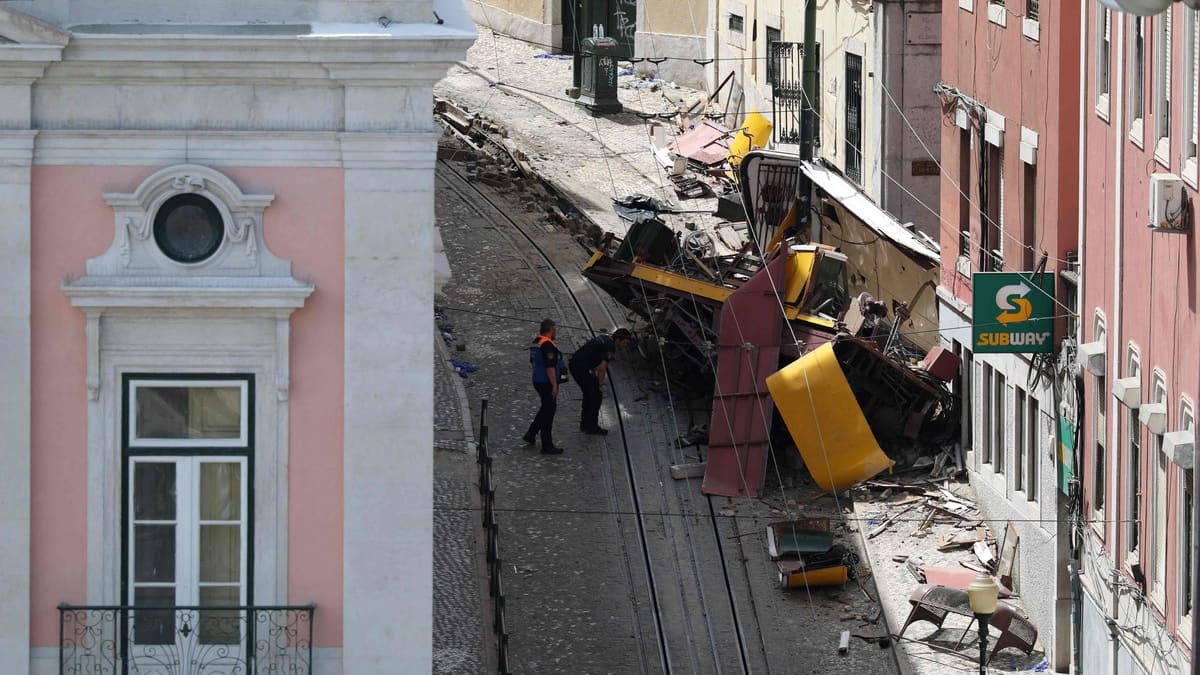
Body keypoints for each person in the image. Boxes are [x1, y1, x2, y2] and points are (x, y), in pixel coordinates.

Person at [569, 328, 635, 435]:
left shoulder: (604, 338)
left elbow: (594, 358)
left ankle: (585, 424)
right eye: (625, 343)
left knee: (589, 394)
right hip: (580, 368)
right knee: (596, 396)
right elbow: (602, 368)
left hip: (577, 365)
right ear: (618, 339)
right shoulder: (610, 347)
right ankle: (591, 426)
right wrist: (600, 384)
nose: (625, 346)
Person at [523, 318, 567, 454]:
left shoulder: (537, 342)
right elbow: (550, 367)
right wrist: (554, 385)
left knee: (545, 409)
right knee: (549, 413)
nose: (556, 332)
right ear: (551, 330)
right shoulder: (547, 345)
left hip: (538, 380)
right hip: (546, 382)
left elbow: (534, 361)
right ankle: (547, 445)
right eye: (555, 330)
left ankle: (531, 434)